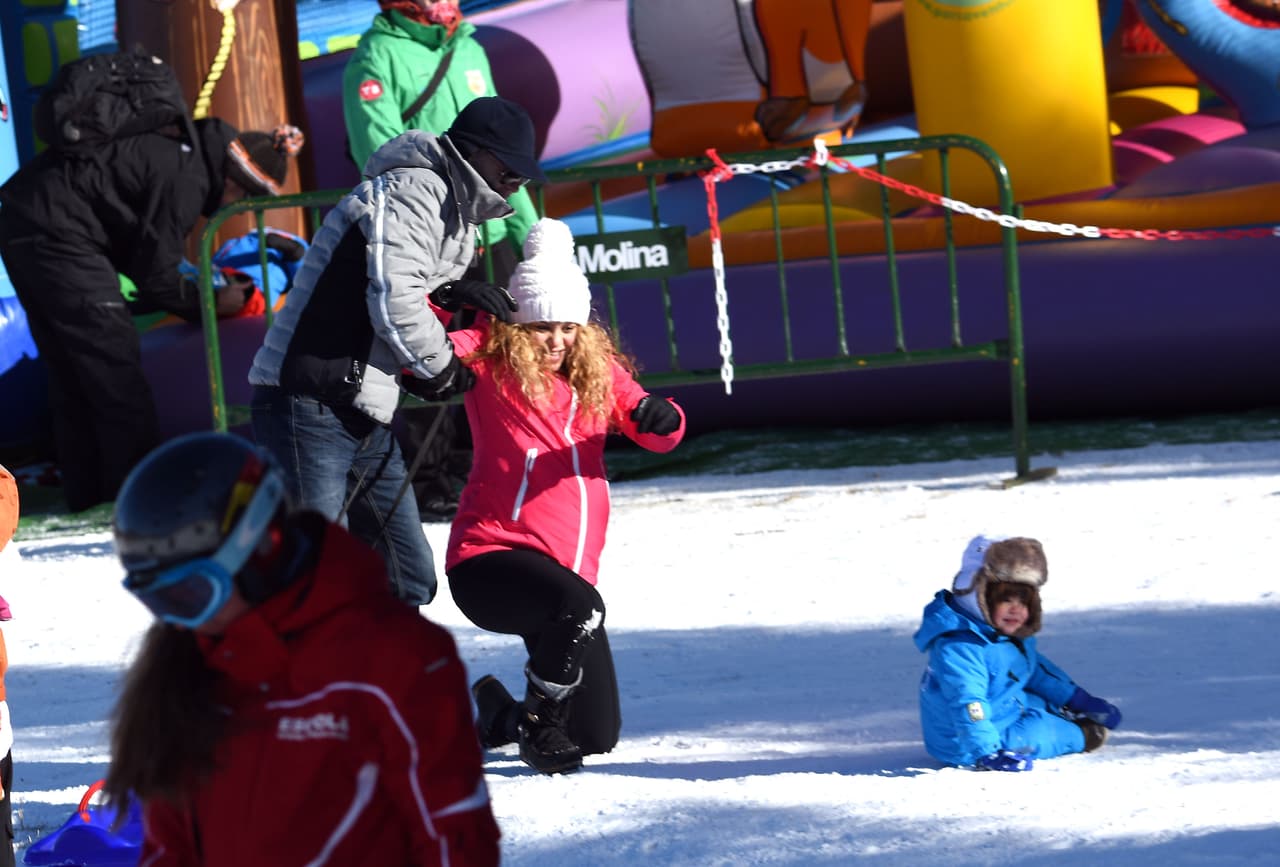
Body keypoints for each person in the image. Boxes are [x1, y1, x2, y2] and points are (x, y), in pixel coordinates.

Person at [101, 432, 500, 866]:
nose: (182, 620)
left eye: (195, 593)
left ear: (261, 547)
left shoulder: (392, 659)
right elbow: (168, 847)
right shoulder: (191, 676)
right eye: (160, 602)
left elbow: (453, 833)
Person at [248, 96, 543, 608]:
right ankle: (262, 674)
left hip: (361, 406)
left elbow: (405, 284)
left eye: (525, 173)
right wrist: (442, 366)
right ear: (476, 153)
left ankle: (379, 677)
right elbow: (395, 297)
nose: (519, 180)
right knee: (312, 576)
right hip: (307, 401)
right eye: (510, 168)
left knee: (408, 576)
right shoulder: (414, 190)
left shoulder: (457, 210)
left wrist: (455, 295)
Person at [441, 217, 686, 775]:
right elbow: (417, 352)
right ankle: (539, 730)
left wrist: (662, 417)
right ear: (516, 325)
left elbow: (657, 428)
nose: (555, 341)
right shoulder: (489, 359)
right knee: (582, 608)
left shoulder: (598, 373)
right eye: (541, 327)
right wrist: (444, 300)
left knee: (598, 736)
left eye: (568, 328)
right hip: (492, 559)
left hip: (567, 576)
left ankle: (503, 718)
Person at [0, 119, 304, 513]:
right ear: (236, 181)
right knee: (118, 376)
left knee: (72, 377)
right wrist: (212, 302)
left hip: (25, 219)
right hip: (61, 235)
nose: (234, 210)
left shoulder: (182, 153)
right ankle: (134, 503)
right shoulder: (187, 179)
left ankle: (88, 499)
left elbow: (144, 254)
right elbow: (157, 276)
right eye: (243, 197)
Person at [343, 0, 541, 520]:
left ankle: (501, 464)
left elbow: (505, 156)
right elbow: (380, 149)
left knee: (505, 350)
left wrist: (529, 232)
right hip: (429, 232)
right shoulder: (376, 56)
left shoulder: (470, 48)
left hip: (491, 229)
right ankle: (432, 477)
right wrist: (434, 217)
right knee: (427, 350)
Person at [913, 534, 1124, 772]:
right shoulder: (960, 650)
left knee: (1040, 701)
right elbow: (968, 702)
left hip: (1003, 710)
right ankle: (1085, 734)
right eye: (1005, 599)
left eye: (1024, 601)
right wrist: (987, 753)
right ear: (978, 597)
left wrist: (1078, 700)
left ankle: (1066, 715)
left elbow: (1034, 671)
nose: (1016, 609)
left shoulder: (1003, 637)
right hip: (966, 743)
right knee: (1045, 732)